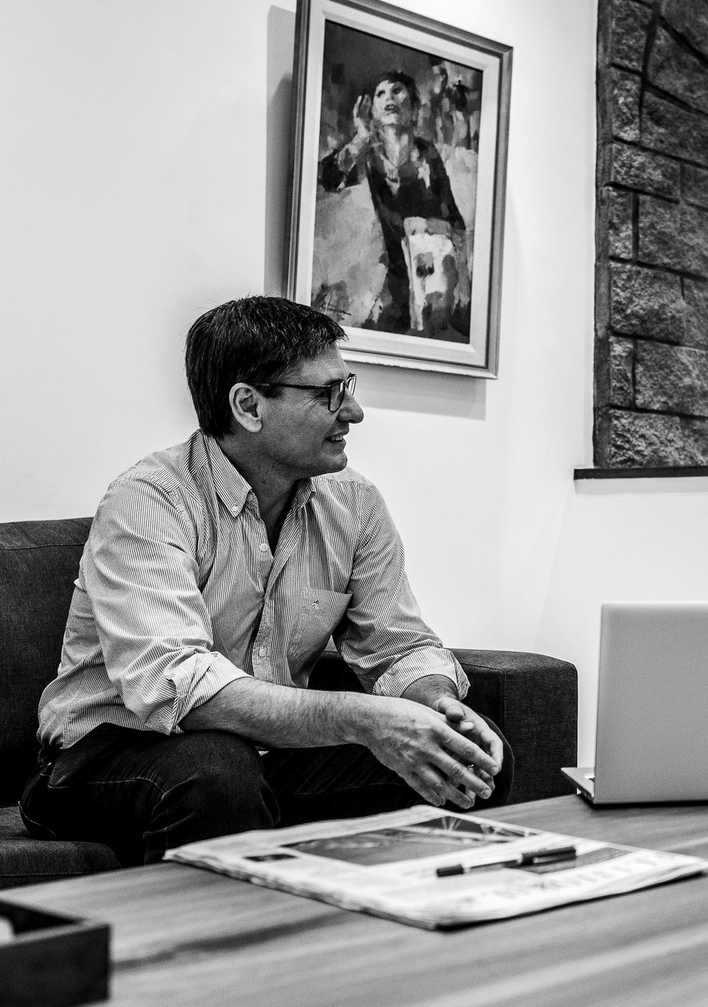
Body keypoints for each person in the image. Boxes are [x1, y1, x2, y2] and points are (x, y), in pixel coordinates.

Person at [20, 297, 510, 865]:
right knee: (217, 776)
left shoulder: (354, 505)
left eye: (347, 384)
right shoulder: (150, 500)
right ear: (249, 405)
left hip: (259, 755)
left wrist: (434, 704)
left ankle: (398, 942)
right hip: (104, 754)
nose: (353, 412)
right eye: (329, 393)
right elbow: (177, 684)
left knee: (468, 761)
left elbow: (397, 647)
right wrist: (363, 719)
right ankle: (226, 954)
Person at [318, 71, 467, 336]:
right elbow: (326, 180)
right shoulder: (367, 158)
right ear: (372, 112)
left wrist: (425, 228)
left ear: (413, 108)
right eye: (380, 94)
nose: (389, 98)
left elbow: (455, 222)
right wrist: (361, 137)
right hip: (384, 283)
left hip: (428, 279)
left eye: (397, 91)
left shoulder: (428, 156)